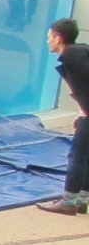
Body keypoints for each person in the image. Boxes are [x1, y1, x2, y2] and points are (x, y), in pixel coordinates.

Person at [37, 17, 89, 215]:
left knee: (78, 155)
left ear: (58, 38)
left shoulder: (73, 54)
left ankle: (68, 201)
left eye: (49, 37)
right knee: (85, 154)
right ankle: (81, 199)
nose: (47, 41)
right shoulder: (78, 52)